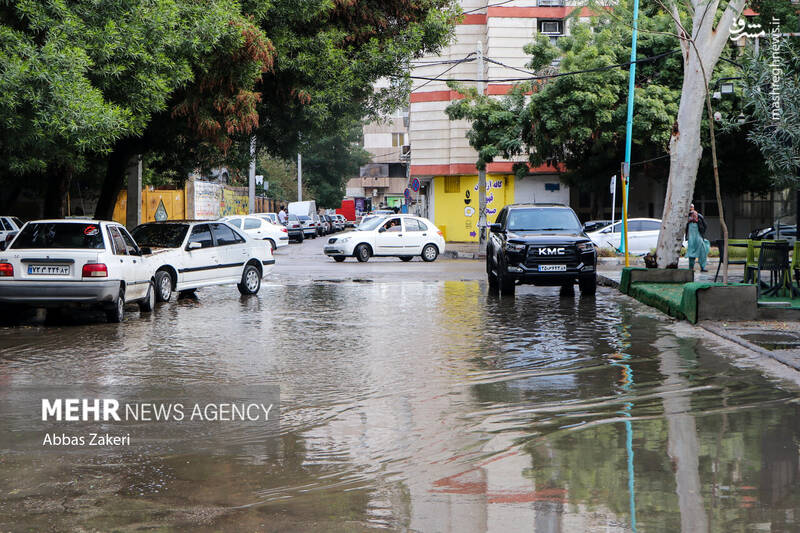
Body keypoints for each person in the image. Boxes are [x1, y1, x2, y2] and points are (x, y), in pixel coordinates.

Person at [685, 203, 709, 272]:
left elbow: (705, 226)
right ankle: (691, 268)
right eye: (689, 207)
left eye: (691, 207)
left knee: (703, 250)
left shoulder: (699, 217)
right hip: (691, 238)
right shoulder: (686, 217)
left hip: (698, 236)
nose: (690, 209)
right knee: (691, 252)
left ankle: (703, 267)